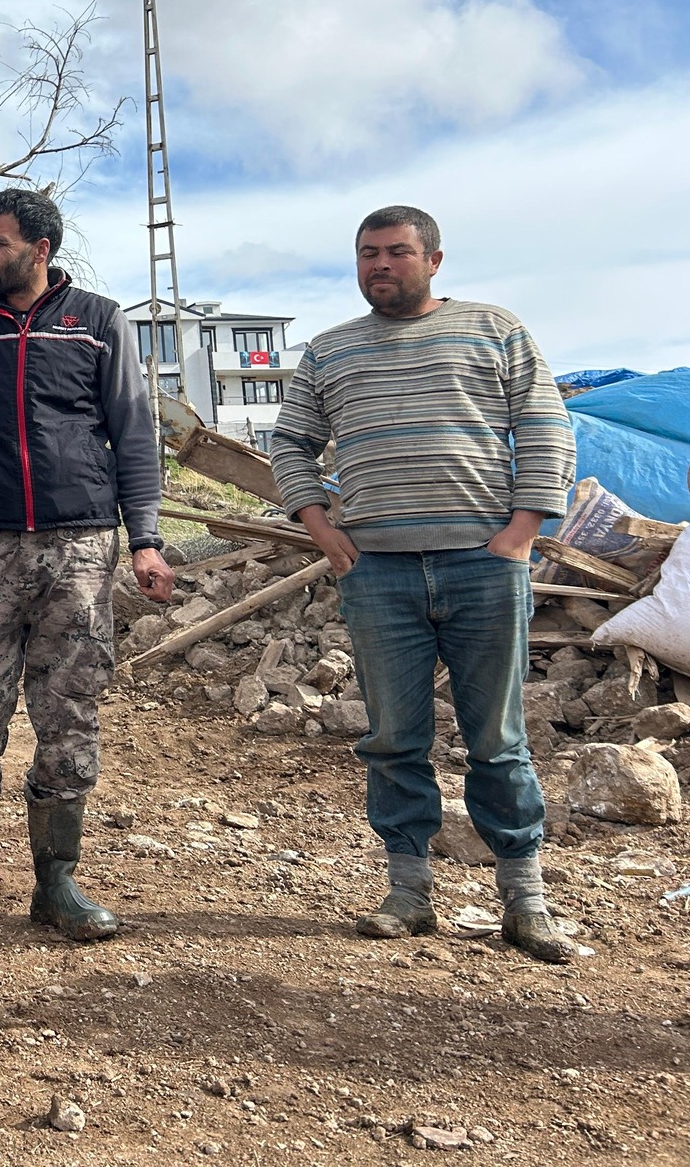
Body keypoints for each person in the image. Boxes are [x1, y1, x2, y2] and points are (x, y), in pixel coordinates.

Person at [270, 205, 577, 963]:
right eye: (368, 254)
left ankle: (525, 902)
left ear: (434, 260)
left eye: (398, 252)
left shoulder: (493, 328)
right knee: (393, 739)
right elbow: (291, 444)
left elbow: (545, 427)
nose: (381, 265)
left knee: (498, 739)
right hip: (377, 572)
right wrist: (323, 530)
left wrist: (518, 537)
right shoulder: (330, 352)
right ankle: (408, 893)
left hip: (482, 564)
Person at [0, 189, 172, 942]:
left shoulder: (98, 322)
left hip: (80, 549)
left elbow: (135, 435)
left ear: (41, 249)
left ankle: (58, 883)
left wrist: (145, 537)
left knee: (69, 712)